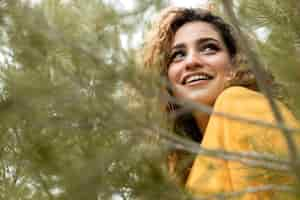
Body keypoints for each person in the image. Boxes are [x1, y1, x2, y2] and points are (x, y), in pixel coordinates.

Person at [143, 6, 300, 199]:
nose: (191, 61)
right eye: (178, 55)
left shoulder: (238, 102)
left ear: (235, 63)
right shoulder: (179, 171)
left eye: (209, 48)